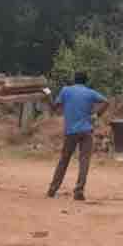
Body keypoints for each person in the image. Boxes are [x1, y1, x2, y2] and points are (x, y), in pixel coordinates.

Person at [47, 72, 109, 201]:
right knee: (84, 161)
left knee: (64, 160)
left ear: (73, 80)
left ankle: (53, 189)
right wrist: (97, 115)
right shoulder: (90, 93)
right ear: (86, 81)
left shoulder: (66, 91)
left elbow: (54, 107)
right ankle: (79, 190)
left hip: (71, 131)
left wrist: (47, 94)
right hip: (87, 131)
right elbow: (106, 102)